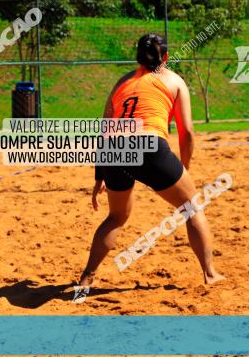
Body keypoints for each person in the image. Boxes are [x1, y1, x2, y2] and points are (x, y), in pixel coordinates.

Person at [79, 34, 224, 287]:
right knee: (192, 207)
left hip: (115, 147)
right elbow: (187, 132)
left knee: (116, 217)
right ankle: (210, 274)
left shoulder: (122, 82)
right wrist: (184, 167)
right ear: (165, 57)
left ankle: (87, 276)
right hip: (148, 144)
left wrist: (99, 175)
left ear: (138, 56)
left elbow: (104, 129)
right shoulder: (174, 80)